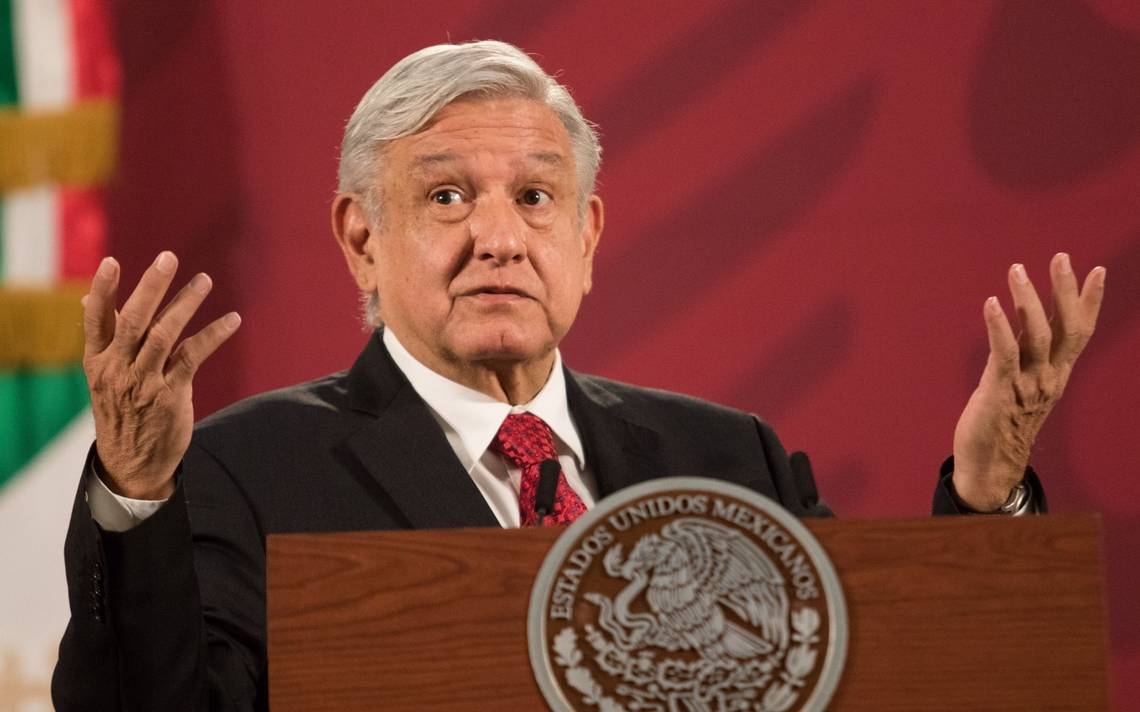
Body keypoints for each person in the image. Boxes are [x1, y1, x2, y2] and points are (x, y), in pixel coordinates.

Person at [51, 40, 1105, 710]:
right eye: (450, 197)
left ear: (590, 235)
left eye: (537, 198)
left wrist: (986, 496)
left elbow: (882, 678)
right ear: (362, 239)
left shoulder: (727, 456)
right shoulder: (244, 469)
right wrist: (138, 496)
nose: (501, 238)